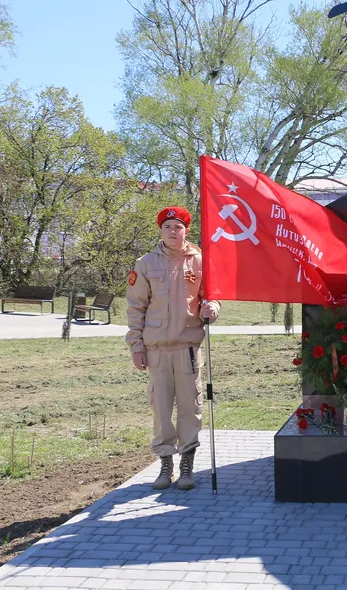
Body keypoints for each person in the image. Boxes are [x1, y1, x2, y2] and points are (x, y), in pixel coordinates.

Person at [126, 206, 220, 490]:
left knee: (191, 407)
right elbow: (135, 307)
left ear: (186, 230)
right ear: (160, 230)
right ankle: (165, 464)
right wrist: (136, 347)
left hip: (189, 348)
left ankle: (187, 464)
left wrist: (212, 308)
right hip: (156, 350)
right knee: (161, 408)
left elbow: (213, 296)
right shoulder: (145, 264)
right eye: (167, 226)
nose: (172, 231)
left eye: (178, 226)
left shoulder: (202, 261)